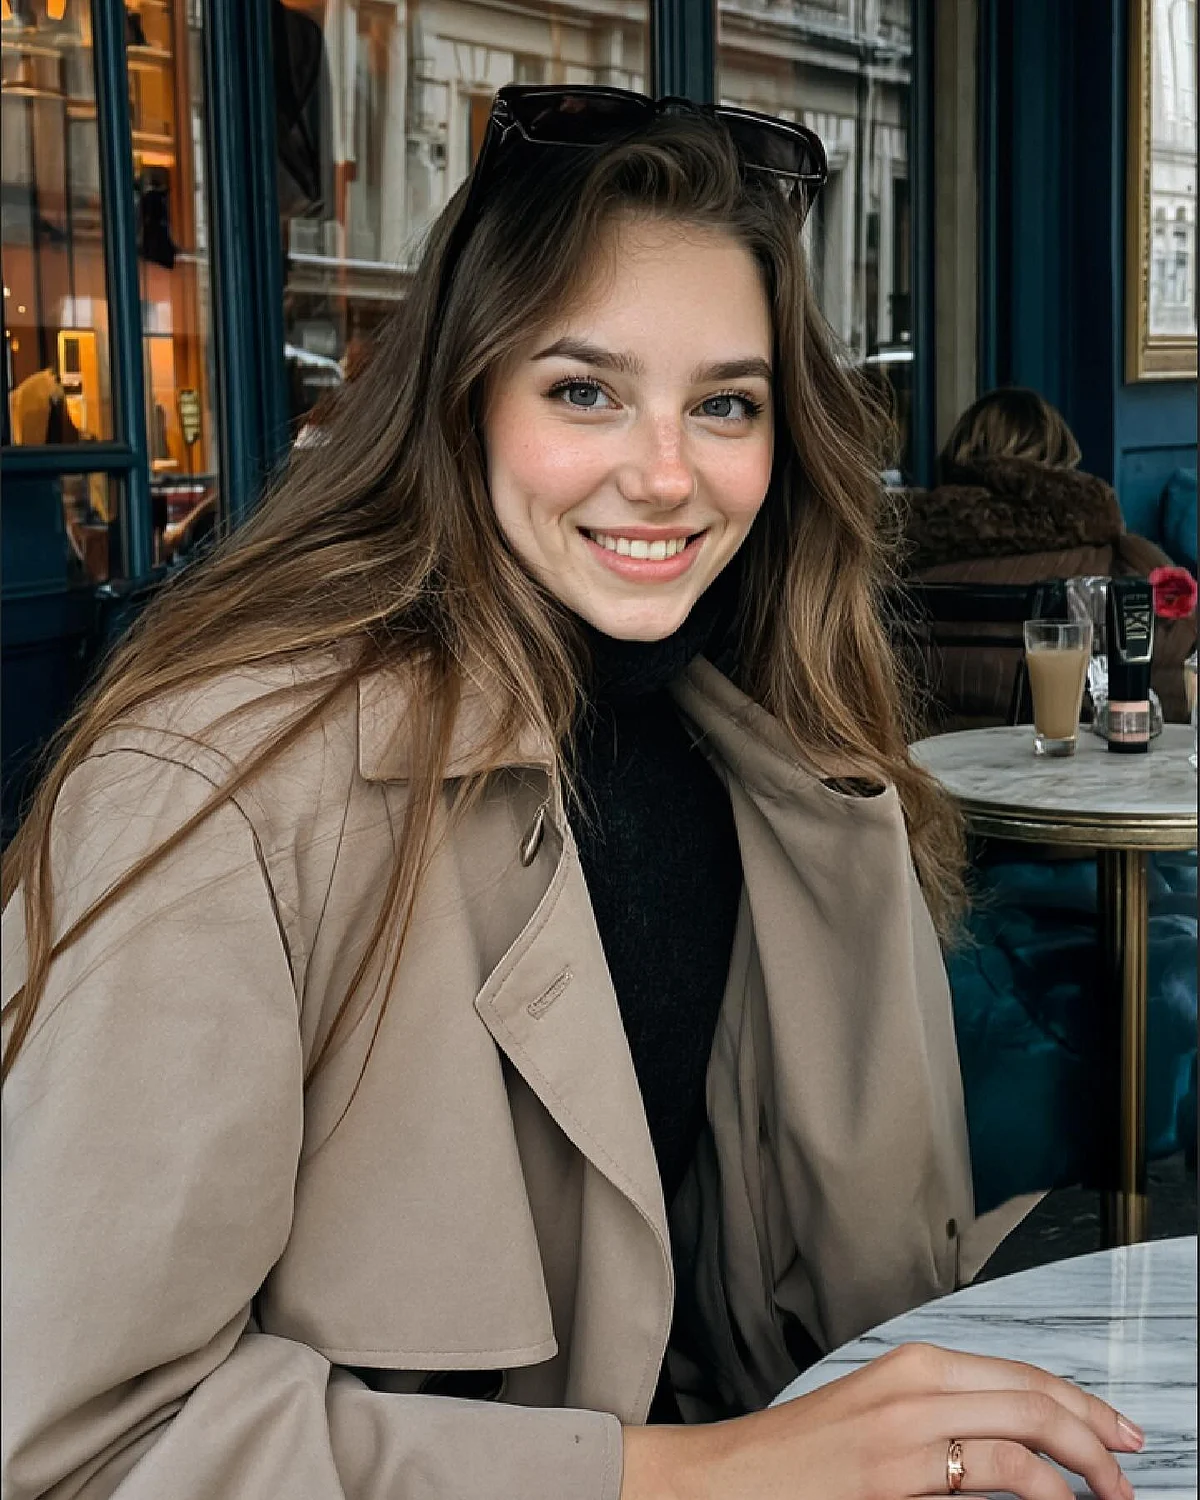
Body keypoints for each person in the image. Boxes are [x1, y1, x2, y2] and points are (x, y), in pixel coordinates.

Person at [1, 90, 1142, 1500]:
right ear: (466, 397)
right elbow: (79, 1448)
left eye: (724, 404)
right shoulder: (220, 787)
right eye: (584, 390)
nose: (666, 476)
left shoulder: (785, 750)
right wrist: (706, 1475)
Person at [903, 386, 1196, 729]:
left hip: (924, 756)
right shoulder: (1122, 568)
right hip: (1072, 756)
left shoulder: (904, 561)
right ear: (1064, 462)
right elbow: (1176, 690)